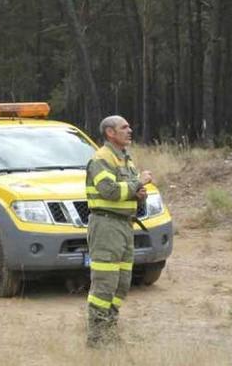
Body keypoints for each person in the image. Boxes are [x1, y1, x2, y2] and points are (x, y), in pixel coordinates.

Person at [85, 115, 152, 347]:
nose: (130, 130)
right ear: (110, 133)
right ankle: (97, 338)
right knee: (105, 283)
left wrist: (139, 193)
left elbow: (128, 191)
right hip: (106, 226)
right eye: (124, 127)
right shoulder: (101, 158)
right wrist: (138, 183)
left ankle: (110, 332)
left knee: (122, 283)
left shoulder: (127, 159)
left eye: (129, 126)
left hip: (125, 225)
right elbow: (109, 191)